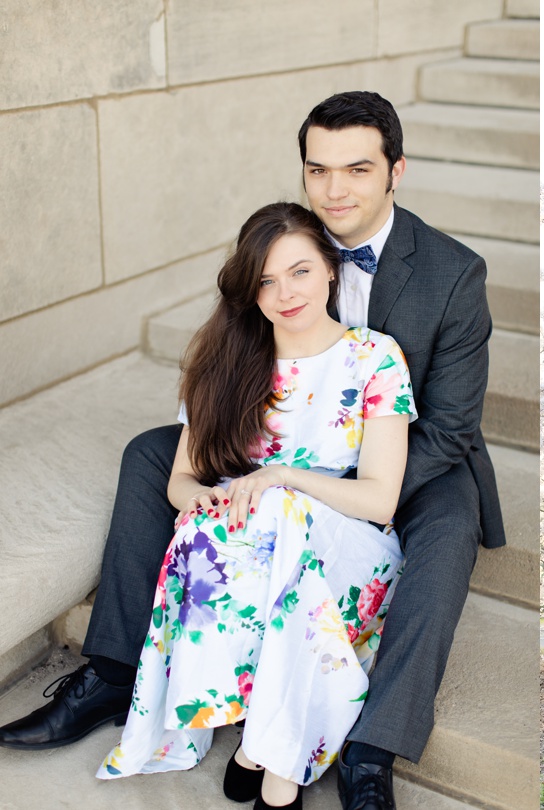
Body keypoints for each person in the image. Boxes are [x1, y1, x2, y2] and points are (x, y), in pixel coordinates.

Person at [0, 91, 505, 810]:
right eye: (318, 170)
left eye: (357, 169)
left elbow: (450, 426)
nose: (336, 189)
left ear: (397, 171)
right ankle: (115, 669)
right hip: (288, 444)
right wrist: (255, 473)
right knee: (150, 453)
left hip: (407, 455)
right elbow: (232, 379)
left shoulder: (453, 273)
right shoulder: (288, 248)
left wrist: (321, 485)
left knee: (449, 530)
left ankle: (370, 747)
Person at [96, 202, 416, 809]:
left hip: (346, 542)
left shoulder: (375, 357)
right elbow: (182, 482)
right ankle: (273, 757)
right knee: (227, 526)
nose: (283, 293)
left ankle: (270, 761)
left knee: (280, 511)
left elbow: (379, 499)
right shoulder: (224, 360)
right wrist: (211, 503)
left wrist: (278, 477)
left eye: (298, 271)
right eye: (265, 280)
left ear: (330, 269)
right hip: (253, 542)